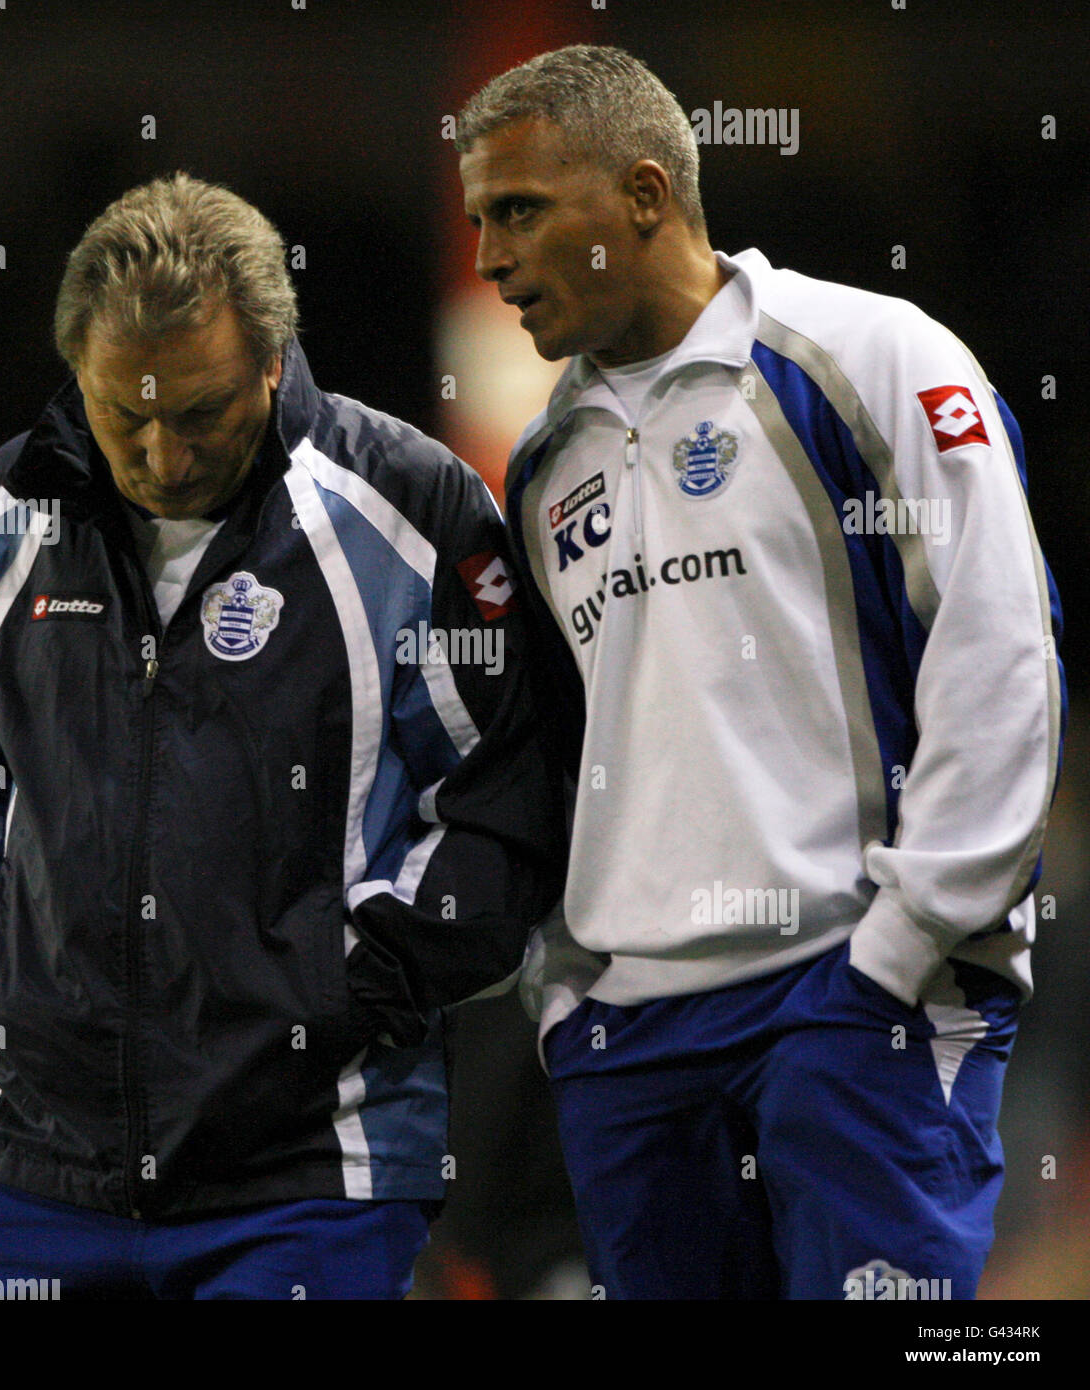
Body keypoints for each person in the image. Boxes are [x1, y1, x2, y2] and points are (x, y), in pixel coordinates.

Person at [456, 45, 1065, 1300]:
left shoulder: (872, 355)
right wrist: (572, 992)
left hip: (849, 992)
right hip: (631, 1038)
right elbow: (560, 754)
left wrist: (905, 943)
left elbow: (999, 651)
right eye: (477, 221)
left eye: (517, 211)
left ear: (640, 194)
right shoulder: (541, 465)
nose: (488, 259)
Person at [0, 172, 563, 1300]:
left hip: (308, 1179)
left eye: (198, 411)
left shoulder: (408, 509)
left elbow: (496, 808)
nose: (159, 452)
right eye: (121, 413)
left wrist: (338, 1001)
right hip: (30, 1173)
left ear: (270, 363)